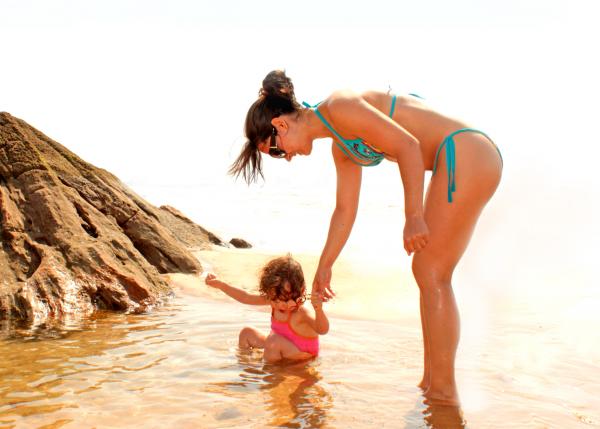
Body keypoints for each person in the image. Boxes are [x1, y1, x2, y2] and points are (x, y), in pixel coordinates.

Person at [229, 70, 503, 405]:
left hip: (465, 149)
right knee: (427, 272)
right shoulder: (341, 145)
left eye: (273, 150)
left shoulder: (339, 105)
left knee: (431, 272)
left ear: (280, 125)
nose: (284, 157)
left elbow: (409, 145)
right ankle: (430, 384)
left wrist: (413, 216)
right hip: (456, 157)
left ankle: (443, 392)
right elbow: (344, 210)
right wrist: (325, 267)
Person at [205, 254, 329, 363]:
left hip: (302, 357)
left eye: (286, 299)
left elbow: (322, 330)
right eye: (276, 300)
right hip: (278, 347)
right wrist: (221, 285)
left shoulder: (302, 312)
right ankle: (246, 367)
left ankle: (270, 373)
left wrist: (319, 310)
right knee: (246, 333)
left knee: (273, 341)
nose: (281, 305)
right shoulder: (273, 301)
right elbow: (246, 297)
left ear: (301, 291)